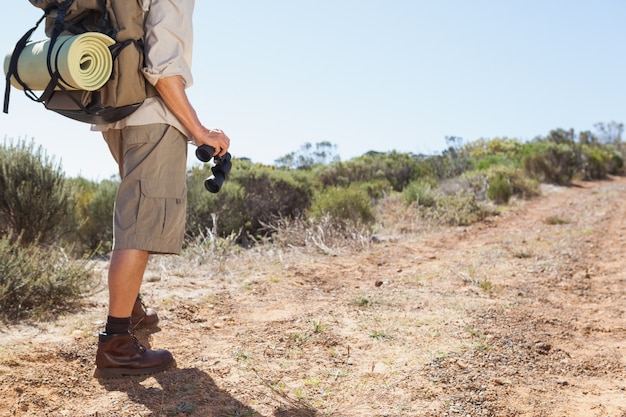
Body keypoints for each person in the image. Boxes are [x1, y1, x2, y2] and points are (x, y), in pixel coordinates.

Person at [92, 0, 230, 378]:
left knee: (134, 210)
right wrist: (199, 130)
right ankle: (117, 343)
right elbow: (164, 67)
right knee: (141, 223)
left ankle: (130, 308)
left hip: (113, 113)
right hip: (152, 117)